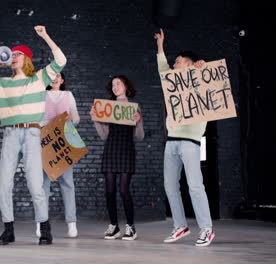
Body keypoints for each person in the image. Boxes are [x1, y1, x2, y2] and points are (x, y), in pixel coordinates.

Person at [0, 25, 66, 246]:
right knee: (3, 183)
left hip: (33, 133)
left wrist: (44, 35)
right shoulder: (2, 84)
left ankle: (45, 228)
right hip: (11, 134)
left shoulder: (39, 79)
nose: (13, 57)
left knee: (35, 184)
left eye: (18, 54)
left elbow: (61, 60)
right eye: (11, 54)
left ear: (27, 59)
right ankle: (8, 230)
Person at [154, 28, 215, 247]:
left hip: (191, 142)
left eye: (178, 62)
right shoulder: (173, 86)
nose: (173, 65)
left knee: (195, 186)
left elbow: (213, 90)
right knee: (170, 186)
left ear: (189, 64)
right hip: (171, 141)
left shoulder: (201, 81)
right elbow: (163, 68)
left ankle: (206, 228)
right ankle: (180, 226)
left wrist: (202, 69)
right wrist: (160, 45)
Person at [91, 75, 144, 240]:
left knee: (123, 190)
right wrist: (95, 120)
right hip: (111, 149)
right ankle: (114, 226)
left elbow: (140, 136)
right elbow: (104, 136)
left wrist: (138, 121)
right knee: (109, 191)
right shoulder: (108, 107)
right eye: (113, 84)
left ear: (126, 86)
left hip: (126, 149)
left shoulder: (134, 107)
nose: (115, 87)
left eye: (118, 83)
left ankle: (131, 227)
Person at [36, 72, 80, 238]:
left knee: (67, 184)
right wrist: (50, 124)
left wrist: (70, 118)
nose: (54, 78)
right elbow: (37, 118)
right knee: (43, 186)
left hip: (64, 142)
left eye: (58, 76)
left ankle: (72, 223)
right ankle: (41, 223)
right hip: (47, 141)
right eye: (52, 76)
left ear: (62, 80)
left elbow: (76, 117)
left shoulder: (68, 95)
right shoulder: (42, 95)